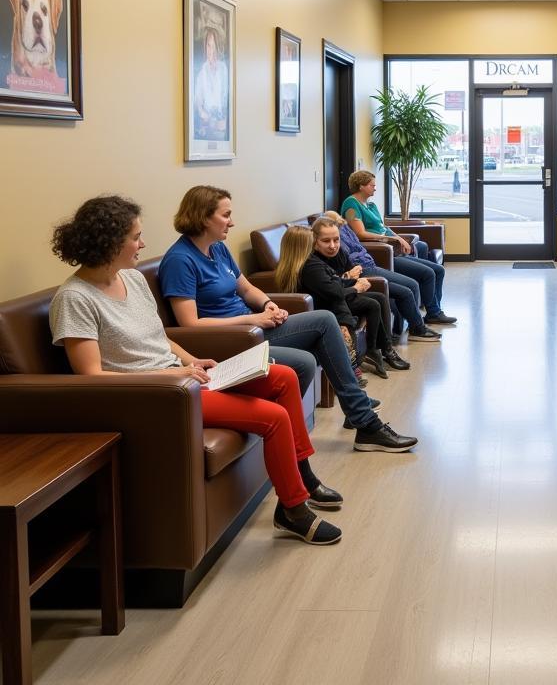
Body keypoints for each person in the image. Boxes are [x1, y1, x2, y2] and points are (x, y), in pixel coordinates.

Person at [49, 195, 343, 545]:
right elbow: (91, 377)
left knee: (283, 376)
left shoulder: (132, 279)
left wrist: (190, 360)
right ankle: (293, 509)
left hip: (181, 377)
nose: (143, 244)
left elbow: (158, 338)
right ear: (109, 242)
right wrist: (172, 376)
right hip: (158, 395)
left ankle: (302, 475)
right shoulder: (75, 298)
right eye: (136, 237)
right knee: (274, 417)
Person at [157, 186, 418, 453]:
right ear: (203, 217)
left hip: (253, 326)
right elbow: (190, 324)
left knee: (325, 320)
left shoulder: (218, 249)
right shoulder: (180, 260)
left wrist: (269, 305)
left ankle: (361, 419)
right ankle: (357, 422)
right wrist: (255, 321)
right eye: (226, 215)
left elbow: (246, 289)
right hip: (231, 340)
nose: (232, 222)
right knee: (311, 349)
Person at [277, 222, 411, 374]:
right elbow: (332, 290)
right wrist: (355, 286)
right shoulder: (311, 265)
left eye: (337, 239)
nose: (333, 245)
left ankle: (381, 349)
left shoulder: (318, 260)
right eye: (322, 241)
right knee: (372, 303)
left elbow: (336, 280)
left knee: (378, 299)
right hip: (324, 301)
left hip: (331, 295)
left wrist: (351, 279)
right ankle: (365, 356)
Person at [341, 171, 456, 327]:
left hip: (391, 246)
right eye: (372, 185)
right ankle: (433, 313)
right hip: (383, 252)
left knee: (438, 270)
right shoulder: (350, 204)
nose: (375, 188)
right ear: (361, 186)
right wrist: (390, 239)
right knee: (428, 273)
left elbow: (383, 227)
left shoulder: (371, 205)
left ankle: (434, 310)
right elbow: (359, 233)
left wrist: (399, 238)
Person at [323, 212, 443, 343]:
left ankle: (415, 326)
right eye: (327, 240)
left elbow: (359, 247)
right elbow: (349, 258)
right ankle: (417, 328)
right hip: (363, 269)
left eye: (335, 239)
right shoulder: (336, 239)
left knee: (413, 283)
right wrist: (350, 273)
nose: (332, 244)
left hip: (368, 264)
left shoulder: (345, 227)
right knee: (409, 288)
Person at [194, 28, 228, 140]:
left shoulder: (223, 69)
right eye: (208, 46)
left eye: (213, 46)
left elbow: (228, 99)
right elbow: (198, 103)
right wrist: (202, 113)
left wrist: (225, 119)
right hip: (207, 127)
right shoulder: (201, 73)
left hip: (222, 127)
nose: (211, 50)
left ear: (217, 47)